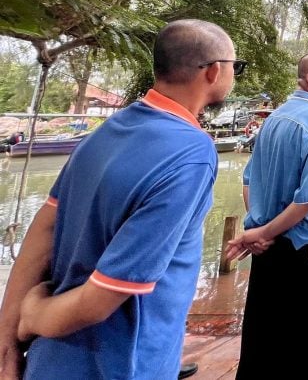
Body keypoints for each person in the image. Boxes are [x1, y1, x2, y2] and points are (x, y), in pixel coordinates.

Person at [0, 19, 239, 379]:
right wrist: (33, 317)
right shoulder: (191, 152)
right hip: (122, 363)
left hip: (51, 361)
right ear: (214, 71)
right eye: (237, 67)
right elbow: (102, 298)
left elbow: (44, 230)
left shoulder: (105, 133)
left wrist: (6, 341)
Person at [227, 53, 308, 380]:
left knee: (261, 348)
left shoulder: (275, 118)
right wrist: (265, 232)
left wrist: (262, 229)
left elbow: (249, 180)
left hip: (268, 253)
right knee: (301, 356)